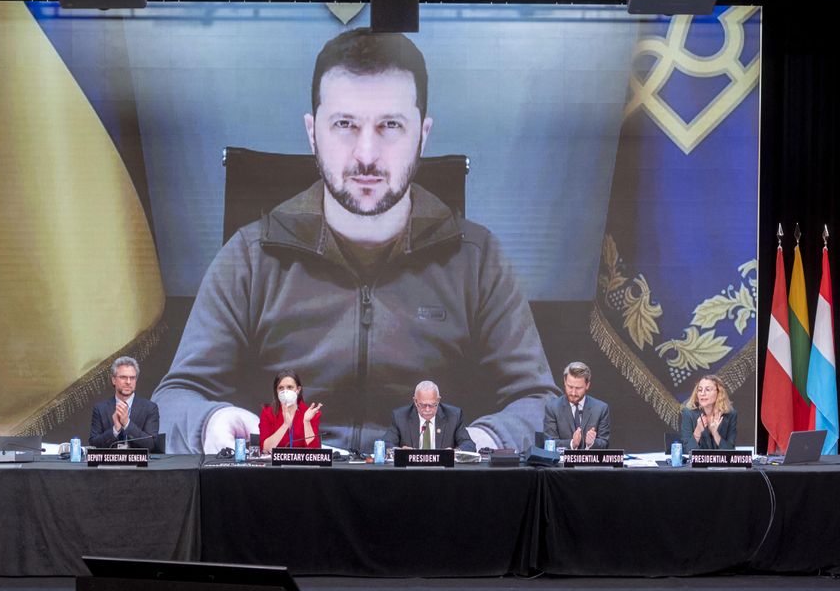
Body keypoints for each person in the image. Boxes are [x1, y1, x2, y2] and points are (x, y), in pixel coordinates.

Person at [153, 27, 559, 455]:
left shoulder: (478, 260)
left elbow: (543, 406)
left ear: (423, 133)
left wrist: (480, 440)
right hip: (288, 498)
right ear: (313, 133)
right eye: (344, 124)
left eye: (390, 125)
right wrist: (209, 422)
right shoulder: (249, 258)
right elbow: (173, 399)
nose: (366, 154)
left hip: (434, 497)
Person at [381, 380, 475, 451]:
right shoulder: (400, 417)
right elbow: (385, 444)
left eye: (432, 405)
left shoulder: (453, 416)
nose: (427, 410)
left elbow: (469, 445)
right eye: (422, 405)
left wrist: (455, 452)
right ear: (415, 401)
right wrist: (399, 451)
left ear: (438, 400)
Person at [89, 356, 161, 448]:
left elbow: (152, 444)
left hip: (138, 461)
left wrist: (127, 424)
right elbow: (94, 444)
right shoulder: (100, 408)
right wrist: (115, 430)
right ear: (114, 380)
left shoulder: (150, 408)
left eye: (132, 378)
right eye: (123, 377)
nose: (128, 382)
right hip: (109, 462)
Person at [542, 361, 611, 449]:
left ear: (587, 385)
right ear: (564, 382)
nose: (573, 393)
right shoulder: (552, 408)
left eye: (578, 388)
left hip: (590, 462)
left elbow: (604, 443)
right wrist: (572, 443)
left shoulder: (601, 409)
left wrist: (592, 443)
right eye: (570, 387)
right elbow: (549, 443)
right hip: (561, 462)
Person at [259, 370, 323, 450]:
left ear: (298, 390)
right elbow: (265, 449)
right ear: (276, 391)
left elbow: (314, 452)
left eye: (290, 387)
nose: (285, 391)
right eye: (281, 388)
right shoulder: (267, 413)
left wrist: (307, 422)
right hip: (276, 462)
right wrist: (285, 425)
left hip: (301, 462)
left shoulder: (309, 413)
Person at [679, 374, 737, 451]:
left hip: (721, 462)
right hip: (698, 462)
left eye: (707, 390)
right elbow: (687, 450)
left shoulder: (730, 414)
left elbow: (730, 450)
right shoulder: (688, 413)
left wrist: (715, 433)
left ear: (719, 392)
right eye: (700, 390)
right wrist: (698, 430)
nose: (702, 393)